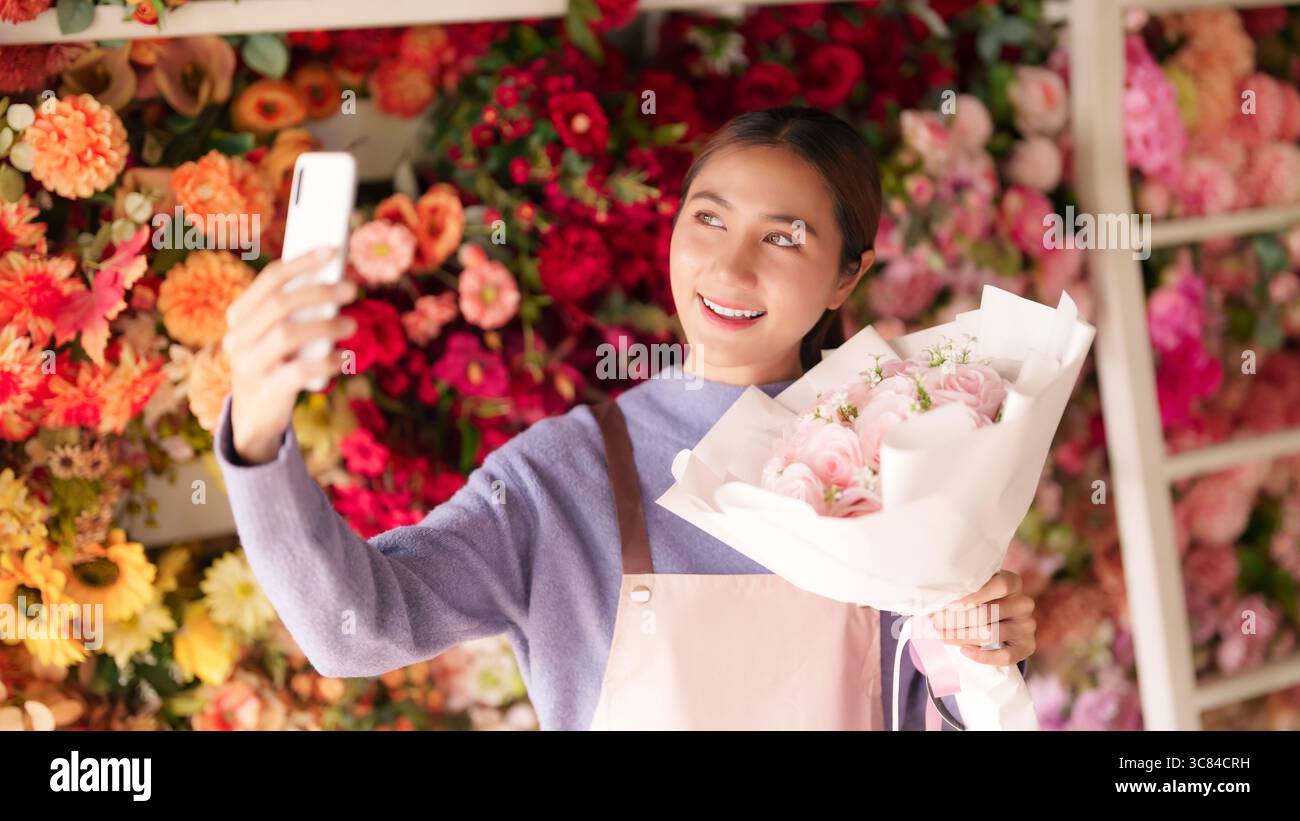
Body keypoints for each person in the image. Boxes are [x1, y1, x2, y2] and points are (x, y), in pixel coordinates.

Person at [215, 105, 1036, 731]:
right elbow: (356, 631)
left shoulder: (908, 458)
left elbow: (946, 709)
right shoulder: (561, 478)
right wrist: (256, 437)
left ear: (845, 277)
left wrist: (982, 649)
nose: (730, 266)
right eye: (708, 219)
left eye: (784, 238)